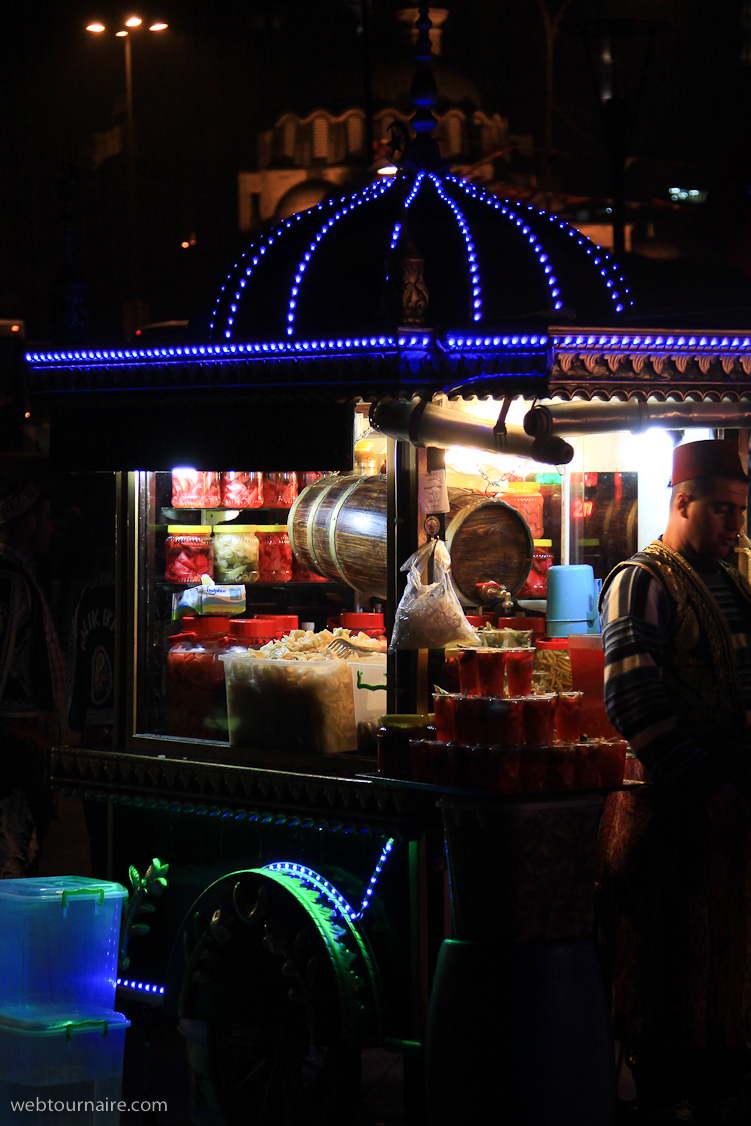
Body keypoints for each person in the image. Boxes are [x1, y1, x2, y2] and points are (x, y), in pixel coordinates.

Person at [599, 438, 751, 1124]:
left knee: (724, 977)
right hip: (670, 815)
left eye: (740, 511)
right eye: (721, 510)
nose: (734, 525)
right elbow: (631, 698)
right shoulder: (641, 579)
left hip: (727, 812)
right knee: (666, 979)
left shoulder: (733, 582)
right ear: (682, 502)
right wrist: (704, 786)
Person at [0, 478, 68, 877]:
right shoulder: (9, 581)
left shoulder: (21, 577)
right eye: (45, 518)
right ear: (29, 522)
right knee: (13, 866)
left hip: (26, 751)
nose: (50, 527)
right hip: (13, 755)